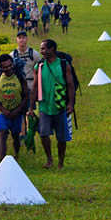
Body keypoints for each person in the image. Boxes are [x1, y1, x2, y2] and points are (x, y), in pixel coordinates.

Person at [29, 39, 76, 169]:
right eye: (41, 48)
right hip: (44, 106)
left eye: (43, 48)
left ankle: (61, 161)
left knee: (61, 138)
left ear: (52, 49)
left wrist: (71, 104)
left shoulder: (63, 65)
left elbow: (71, 85)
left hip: (60, 106)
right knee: (44, 134)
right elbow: (34, 88)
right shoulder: (39, 66)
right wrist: (31, 107)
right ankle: (49, 159)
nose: (41, 51)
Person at [0, 55, 28, 161]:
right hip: (4, 113)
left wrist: (18, 110)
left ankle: (16, 154)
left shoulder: (20, 77)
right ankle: (2, 160)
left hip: (17, 112)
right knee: (2, 134)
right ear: (1, 68)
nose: (8, 69)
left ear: (12, 64)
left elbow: (26, 95)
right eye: (5, 67)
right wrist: (3, 110)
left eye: (9, 66)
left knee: (16, 135)